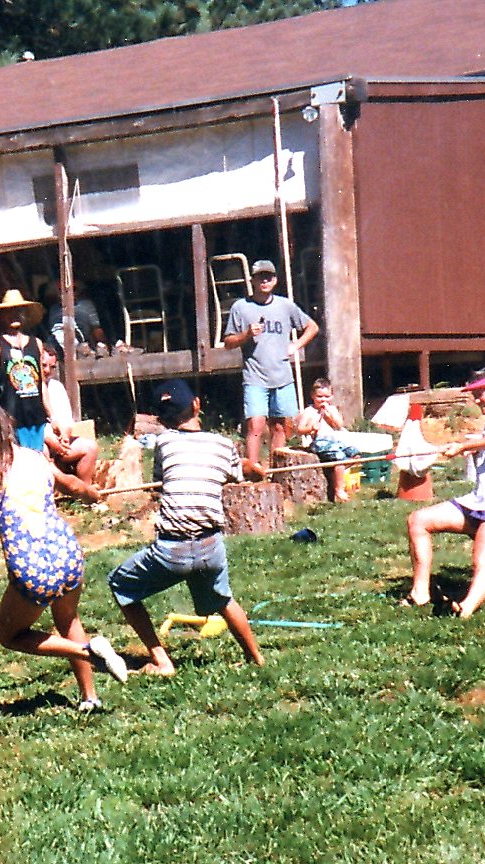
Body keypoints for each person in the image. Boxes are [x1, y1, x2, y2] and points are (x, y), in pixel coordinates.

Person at [0, 398, 129, 711]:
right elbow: (73, 487)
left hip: (32, 565)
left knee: (9, 635)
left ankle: (88, 652)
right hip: (66, 551)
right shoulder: (35, 458)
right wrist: (92, 493)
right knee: (68, 620)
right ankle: (90, 697)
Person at [108, 379, 263, 674]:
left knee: (120, 584)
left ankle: (161, 660)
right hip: (210, 548)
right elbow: (240, 473)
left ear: (163, 418)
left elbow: (159, 483)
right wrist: (252, 469)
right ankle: (257, 658)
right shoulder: (223, 444)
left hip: (172, 551)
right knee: (224, 600)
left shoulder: (164, 443)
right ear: (197, 404)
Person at [403, 366, 485, 618]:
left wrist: (467, 444)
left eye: (480, 393)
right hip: (480, 501)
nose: (476, 401)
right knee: (418, 520)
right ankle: (420, 593)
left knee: (482, 558)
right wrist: (471, 446)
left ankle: (464, 609)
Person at [221, 260, 319, 467]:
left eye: (269, 277)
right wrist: (246, 334)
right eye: (260, 277)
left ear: (275, 280)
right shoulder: (241, 307)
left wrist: (296, 345)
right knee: (255, 425)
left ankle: (277, 472)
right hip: (255, 377)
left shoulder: (285, 305)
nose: (264, 281)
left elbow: (312, 327)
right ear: (252, 280)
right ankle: (252, 470)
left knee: (281, 427)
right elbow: (228, 342)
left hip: (282, 376)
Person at [0, 289, 50, 450]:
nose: (15, 315)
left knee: (37, 462)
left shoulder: (37, 344)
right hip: (8, 422)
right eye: (9, 311)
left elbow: (41, 384)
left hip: (36, 420)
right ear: (1, 316)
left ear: (25, 314)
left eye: (18, 310)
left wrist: (51, 416)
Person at [293, 376, 393, 502]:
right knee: (339, 457)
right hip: (319, 442)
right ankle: (339, 489)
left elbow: (339, 425)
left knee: (355, 454)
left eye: (327, 397)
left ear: (332, 396)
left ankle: (334, 472)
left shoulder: (332, 409)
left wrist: (330, 416)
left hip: (334, 441)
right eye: (319, 397)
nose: (323, 400)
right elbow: (299, 429)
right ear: (313, 395)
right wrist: (310, 428)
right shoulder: (309, 411)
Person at [40, 346, 99, 486]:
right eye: (43, 365)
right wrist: (52, 442)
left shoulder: (56, 387)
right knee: (43, 451)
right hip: (40, 442)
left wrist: (65, 438)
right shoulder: (28, 389)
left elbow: (66, 420)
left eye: (52, 367)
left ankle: (85, 489)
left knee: (90, 447)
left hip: (59, 442)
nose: (47, 370)